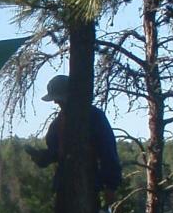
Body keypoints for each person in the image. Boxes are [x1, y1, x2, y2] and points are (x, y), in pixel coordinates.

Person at [26, 74, 123, 203]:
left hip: (88, 185)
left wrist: (111, 186)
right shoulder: (57, 123)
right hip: (63, 187)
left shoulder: (94, 117)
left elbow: (108, 151)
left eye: (58, 98)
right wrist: (43, 157)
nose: (56, 102)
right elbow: (57, 152)